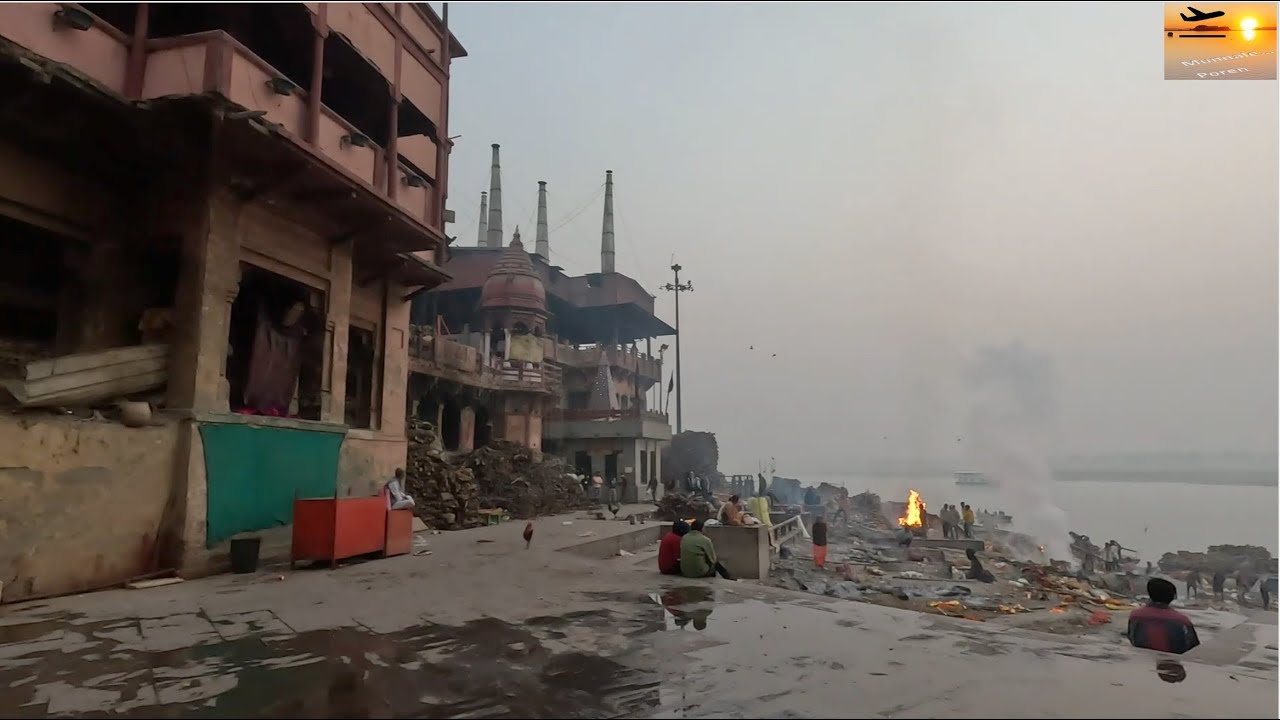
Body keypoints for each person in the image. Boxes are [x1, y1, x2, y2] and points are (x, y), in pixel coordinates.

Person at [1127, 578, 1200, 654]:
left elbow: (1132, 638)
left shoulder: (1136, 615)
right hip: (1173, 660)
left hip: (1142, 658)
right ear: (1172, 598)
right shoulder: (1182, 620)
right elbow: (1193, 645)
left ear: (1150, 594)